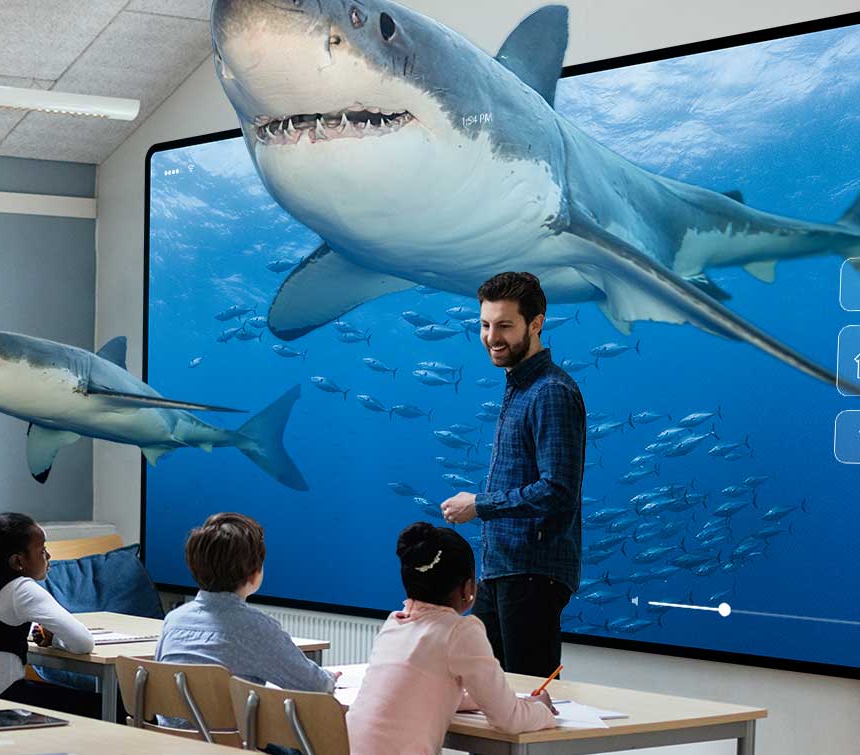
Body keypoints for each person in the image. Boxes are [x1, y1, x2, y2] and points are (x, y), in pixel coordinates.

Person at [440, 271, 584, 676]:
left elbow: (557, 490)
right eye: (485, 325)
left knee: (526, 705)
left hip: (533, 571)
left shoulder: (550, 391)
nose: (491, 336)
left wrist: (479, 505)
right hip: (502, 569)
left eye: (505, 325)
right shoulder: (520, 387)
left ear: (536, 324)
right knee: (485, 699)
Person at [347, 523, 558, 754]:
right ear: (468, 588)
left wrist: (485, 698)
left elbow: (427, 691)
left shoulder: (394, 623)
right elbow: (509, 720)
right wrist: (541, 709)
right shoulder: (459, 631)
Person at [156, 513, 334, 693]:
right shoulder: (256, 628)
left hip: (165, 722)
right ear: (254, 572)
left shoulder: (173, 620)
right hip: (230, 722)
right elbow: (316, 685)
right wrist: (329, 677)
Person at [0, 501, 99, 716]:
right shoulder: (21, 590)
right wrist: (53, 640)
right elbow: (83, 642)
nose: (48, 557)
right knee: (112, 706)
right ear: (18, 562)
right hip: (9, 704)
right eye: (42, 550)